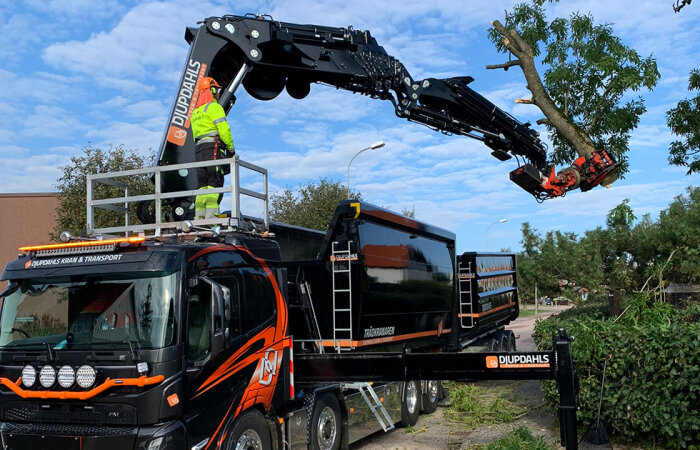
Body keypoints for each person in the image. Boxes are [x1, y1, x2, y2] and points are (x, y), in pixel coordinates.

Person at [190, 77, 235, 219]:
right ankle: (211, 216)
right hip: (213, 148)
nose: (218, 94)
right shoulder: (214, 108)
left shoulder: (195, 113)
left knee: (202, 184)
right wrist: (231, 149)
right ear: (212, 90)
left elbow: (194, 136)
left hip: (199, 150)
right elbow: (224, 130)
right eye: (217, 90)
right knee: (214, 181)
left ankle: (199, 217)